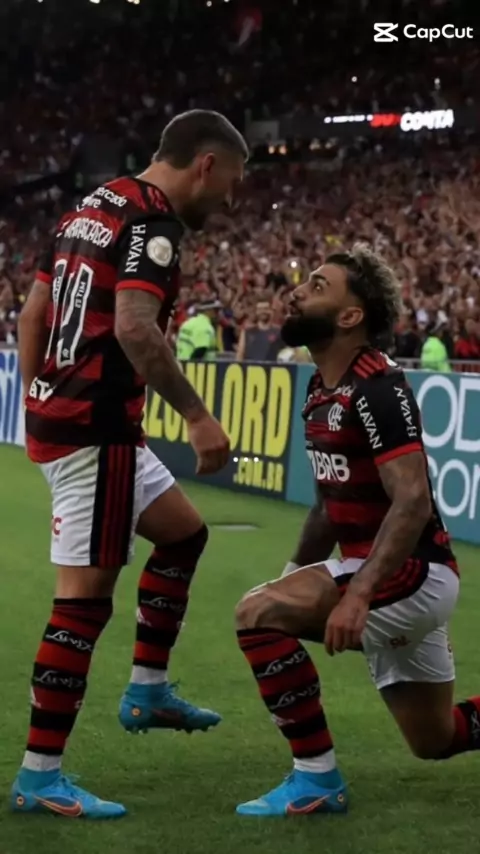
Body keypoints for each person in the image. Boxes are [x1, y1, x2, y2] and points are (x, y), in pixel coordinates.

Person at [14, 109, 248, 819]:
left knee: (183, 534)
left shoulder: (89, 207)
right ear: (205, 164)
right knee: (82, 603)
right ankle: (39, 777)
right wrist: (197, 416)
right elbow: (135, 327)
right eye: (232, 182)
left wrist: (36, 398)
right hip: (97, 428)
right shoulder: (153, 222)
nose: (230, 199)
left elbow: (31, 316)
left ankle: (148, 689)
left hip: (71, 417)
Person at [234, 244, 480, 818]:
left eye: (318, 286)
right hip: (386, 576)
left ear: (351, 316)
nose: (298, 291)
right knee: (435, 738)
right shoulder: (322, 387)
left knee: (255, 614)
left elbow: (412, 499)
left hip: (412, 574)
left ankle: (316, 779)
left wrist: (358, 595)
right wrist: (293, 576)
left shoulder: (377, 385)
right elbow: (328, 505)